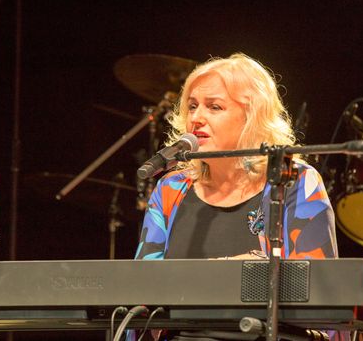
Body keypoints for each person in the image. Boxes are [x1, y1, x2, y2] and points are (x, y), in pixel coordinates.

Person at [130, 53, 346, 341]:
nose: (196, 118)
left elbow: (319, 294)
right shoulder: (171, 188)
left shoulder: (294, 181)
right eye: (192, 106)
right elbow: (141, 294)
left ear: (251, 117)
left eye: (214, 107)